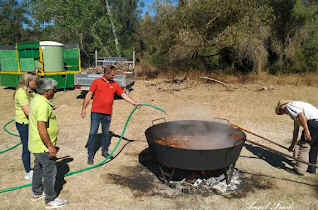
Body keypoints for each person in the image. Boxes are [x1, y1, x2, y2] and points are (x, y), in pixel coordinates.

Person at [81, 65, 139, 165]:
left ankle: (104, 151)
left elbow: (123, 95)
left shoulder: (115, 84)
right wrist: (83, 109)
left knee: (106, 133)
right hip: (96, 113)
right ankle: (90, 155)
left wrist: (133, 103)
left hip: (107, 114)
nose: (114, 76)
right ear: (106, 73)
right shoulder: (97, 82)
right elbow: (89, 94)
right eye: (112, 75)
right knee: (93, 133)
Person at [28, 78, 68, 208]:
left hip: (35, 144)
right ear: (47, 91)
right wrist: (50, 146)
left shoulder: (37, 99)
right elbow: (41, 127)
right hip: (42, 146)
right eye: (54, 89)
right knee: (50, 170)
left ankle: (37, 192)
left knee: (38, 168)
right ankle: (50, 200)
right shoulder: (43, 105)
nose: (55, 91)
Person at [275, 100, 318, 174]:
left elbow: (301, 115)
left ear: (282, 107)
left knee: (303, 146)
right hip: (316, 123)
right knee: (314, 146)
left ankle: (299, 170)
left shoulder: (289, 106)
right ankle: (311, 169)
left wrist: (306, 130)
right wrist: (292, 145)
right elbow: (296, 131)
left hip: (312, 124)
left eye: (280, 112)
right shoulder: (296, 109)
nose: (283, 113)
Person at [14, 72, 38, 181]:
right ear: (28, 82)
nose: (36, 82)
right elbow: (28, 112)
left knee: (33, 145)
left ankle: (34, 168)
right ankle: (28, 172)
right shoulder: (21, 93)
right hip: (24, 124)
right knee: (27, 147)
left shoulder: (30, 91)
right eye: (35, 81)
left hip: (30, 123)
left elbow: (38, 100)